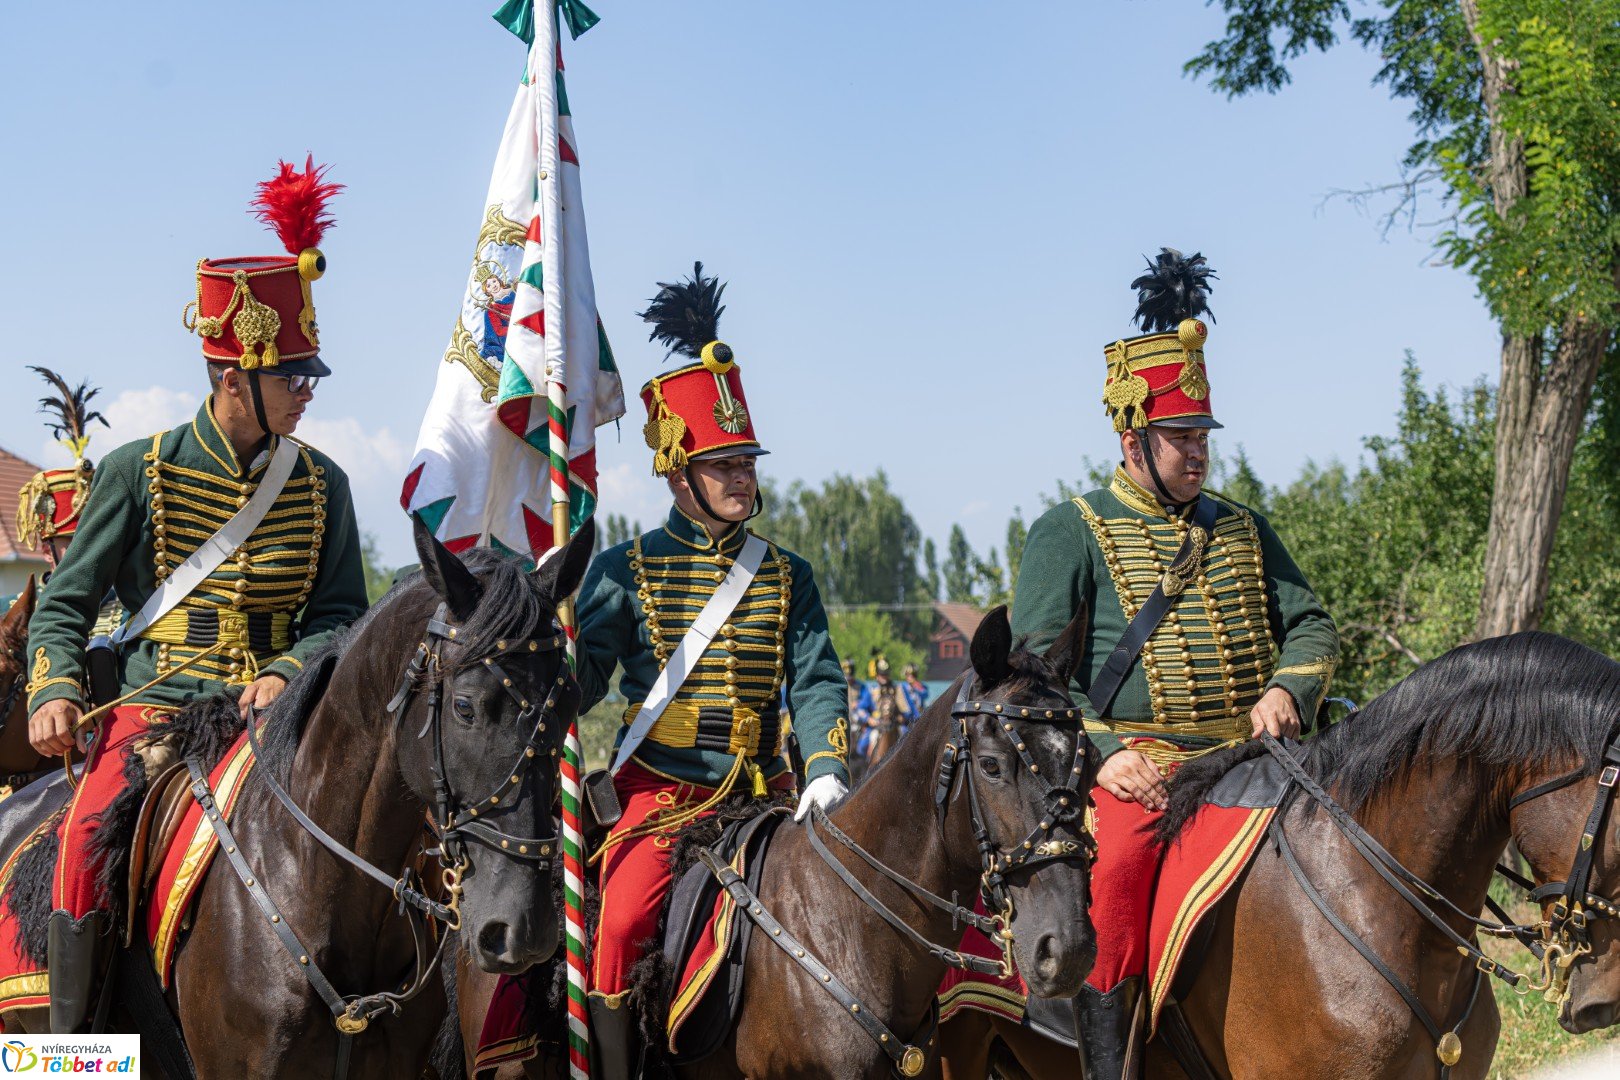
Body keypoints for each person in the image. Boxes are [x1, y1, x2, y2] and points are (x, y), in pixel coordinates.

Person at [23, 159, 368, 1033]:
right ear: (231, 379)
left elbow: (340, 617)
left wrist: (289, 672)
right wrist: (57, 685)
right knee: (79, 846)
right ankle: (74, 1055)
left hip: (272, 722)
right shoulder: (141, 471)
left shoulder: (324, 485)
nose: (307, 391)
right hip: (158, 715)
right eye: (293, 377)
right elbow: (64, 603)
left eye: (310, 376)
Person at [1009, 249, 1339, 1079]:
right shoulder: (1071, 528)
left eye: (1202, 437)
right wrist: (1106, 754)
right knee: (1116, 876)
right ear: (1132, 438)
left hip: (1254, 758)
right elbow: (1034, 676)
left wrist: (1285, 689)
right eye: (1180, 437)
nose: (1198, 454)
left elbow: (1311, 629)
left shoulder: (1243, 527)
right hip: (1137, 768)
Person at [573, 263, 850, 1078]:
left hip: (764, 791)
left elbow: (818, 676)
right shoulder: (626, 569)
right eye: (724, 463)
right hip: (663, 795)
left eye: (747, 462)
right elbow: (583, 680)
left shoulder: (788, 574)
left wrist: (828, 766)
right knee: (621, 928)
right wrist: (551, 658)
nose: (742, 478)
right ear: (676, 468)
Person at [13, 369, 121, 635]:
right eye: (73, 543)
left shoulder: (133, 608)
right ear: (47, 551)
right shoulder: (13, 615)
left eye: (93, 540)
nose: (87, 551)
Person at [854, 654, 914, 766]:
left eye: (886, 674)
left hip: (895, 725)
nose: (884, 677)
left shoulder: (898, 689)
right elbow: (860, 709)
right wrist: (869, 719)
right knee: (862, 746)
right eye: (882, 675)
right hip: (877, 726)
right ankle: (867, 771)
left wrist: (902, 717)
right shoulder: (872, 690)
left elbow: (908, 711)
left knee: (909, 744)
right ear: (877, 675)